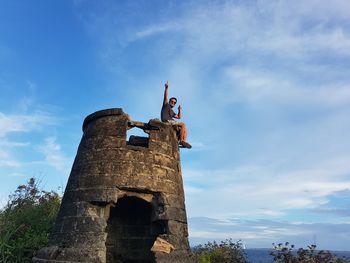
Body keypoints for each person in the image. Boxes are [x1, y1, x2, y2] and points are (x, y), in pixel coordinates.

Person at [161, 81, 191, 149]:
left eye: (174, 103)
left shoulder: (172, 111)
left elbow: (179, 117)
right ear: (169, 101)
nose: (173, 103)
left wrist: (179, 110)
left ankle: (183, 142)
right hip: (167, 121)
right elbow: (165, 97)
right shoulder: (166, 105)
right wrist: (166, 88)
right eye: (172, 101)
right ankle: (181, 140)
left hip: (171, 121)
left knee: (185, 129)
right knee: (183, 124)